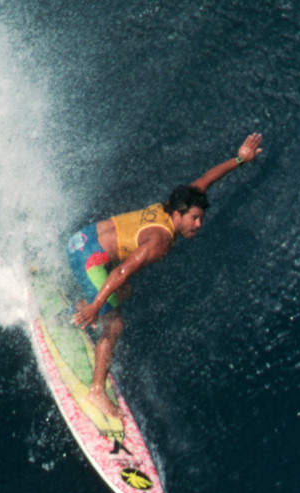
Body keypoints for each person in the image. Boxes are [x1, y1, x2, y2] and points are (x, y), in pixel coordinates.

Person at [67, 133, 262, 422]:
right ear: (180, 216)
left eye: (200, 218)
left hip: (82, 238)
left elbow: (207, 180)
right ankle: (96, 390)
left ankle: (77, 312)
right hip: (88, 258)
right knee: (115, 323)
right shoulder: (160, 241)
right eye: (194, 218)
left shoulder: (173, 203)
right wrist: (98, 306)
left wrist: (240, 159)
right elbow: (121, 271)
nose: (199, 223)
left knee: (124, 291)